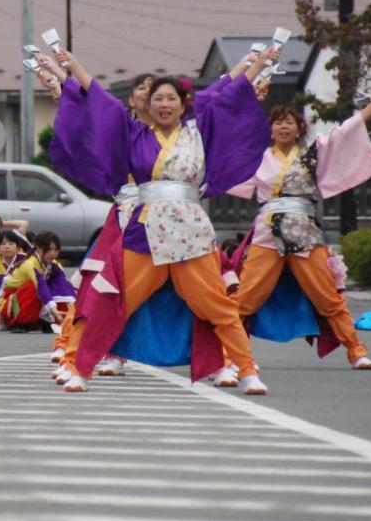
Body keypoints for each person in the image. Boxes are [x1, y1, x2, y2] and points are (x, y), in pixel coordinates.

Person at [45, 47, 277, 394]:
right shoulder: (133, 133)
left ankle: (246, 369)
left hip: (191, 232)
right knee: (111, 300)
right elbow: (101, 102)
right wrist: (73, 66)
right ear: (147, 106)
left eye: (172, 98)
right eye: (158, 99)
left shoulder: (199, 131)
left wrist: (258, 62)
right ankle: (80, 367)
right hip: (145, 230)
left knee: (216, 305)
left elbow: (229, 93)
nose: (165, 104)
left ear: (184, 104)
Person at [227, 99, 371, 374]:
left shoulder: (313, 153)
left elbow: (343, 134)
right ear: (270, 129)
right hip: (268, 232)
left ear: (300, 128)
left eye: (289, 122)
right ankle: (229, 355)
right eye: (278, 122)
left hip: (304, 232)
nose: (283, 127)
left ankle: (355, 349)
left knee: (327, 297)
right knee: (246, 297)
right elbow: (229, 151)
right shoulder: (258, 155)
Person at [0, 230, 75, 332]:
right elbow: (41, 287)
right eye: (49, 249)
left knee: (64, 284)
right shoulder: (30, 264)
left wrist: (73, 307)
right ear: (38, 248)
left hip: (31, 301)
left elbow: (62, 284)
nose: (53, 253)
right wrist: (53, 309)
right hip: (10, 305)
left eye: (55, 250)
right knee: (33, 287)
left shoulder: (52, 264)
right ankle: (20, 322)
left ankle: (49, 320)